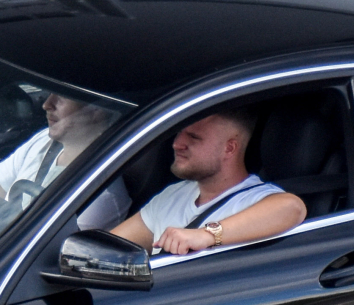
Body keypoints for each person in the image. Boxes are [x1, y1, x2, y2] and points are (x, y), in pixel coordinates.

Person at [110, 107, 305, 256]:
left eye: (194, 137)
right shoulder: (173, 194)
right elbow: (109, 248)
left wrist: (207, 235)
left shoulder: (254, 200)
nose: (177, 144)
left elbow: (292, 207)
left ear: (229, 148)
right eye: (180, 133)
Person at [0, 91, 127, 229]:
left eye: (62, 97)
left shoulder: (98, 197)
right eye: (50, 93)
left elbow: (31, 258)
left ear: (97, 109)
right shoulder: (44, 141)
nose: (46, 104)